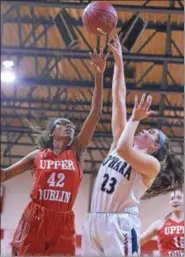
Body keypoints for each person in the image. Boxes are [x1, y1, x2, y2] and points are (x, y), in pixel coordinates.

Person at [81, 34, 184, 256]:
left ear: (155, 147)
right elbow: (118, 101)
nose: (143, 130)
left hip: (121, 225)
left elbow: (123, 150)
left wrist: (135, 118)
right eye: (144, 127)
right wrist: (118, 62)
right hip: (95, 219)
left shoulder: (150, 165)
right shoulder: (120, 143)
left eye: (150, 132)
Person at [1, 48, 109, 256]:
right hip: (36, 215)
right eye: (63, 124)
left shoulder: (77, 151)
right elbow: (4, 176)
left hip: (64, 218)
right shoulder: (37, 155)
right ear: (51, 132)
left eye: (71, 126)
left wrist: (99, 74)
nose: (69, 126)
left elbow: (95, 113)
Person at [140, 190, 184, 256]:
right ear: (169, 203)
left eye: (179, 197)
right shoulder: (159, 224)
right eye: (172, 198)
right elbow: (138, 242)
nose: (175, 200)